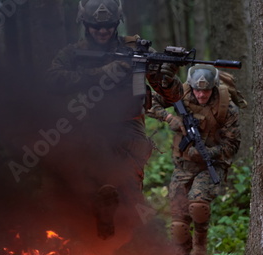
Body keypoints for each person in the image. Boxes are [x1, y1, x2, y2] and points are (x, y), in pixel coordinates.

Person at [45, 0, 183, 240]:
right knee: (86, 186)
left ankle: (133, 245)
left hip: (129, 125)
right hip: (86, 126)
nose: (102, 31)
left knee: (129, 187)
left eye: (108, 26)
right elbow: (52, 81)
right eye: (95, 27)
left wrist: (167, 78)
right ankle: (90, 243)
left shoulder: (136, 50)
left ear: (116, 23)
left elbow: (172, 96)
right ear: (85, 25)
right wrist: (99, 73)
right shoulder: (73, 53)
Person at [147, 65, 242, 255]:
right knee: (178, 220)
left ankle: (200, 248)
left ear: (214, 88)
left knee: (198, 205)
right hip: (183, 165)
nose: (201, 94)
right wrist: (169, 117)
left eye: (206, 90)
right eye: (197, 90)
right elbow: (149, 102)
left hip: (210, 165)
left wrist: (209, 153)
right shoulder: (179, 94)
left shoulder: (226, 107)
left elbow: (233, 144)